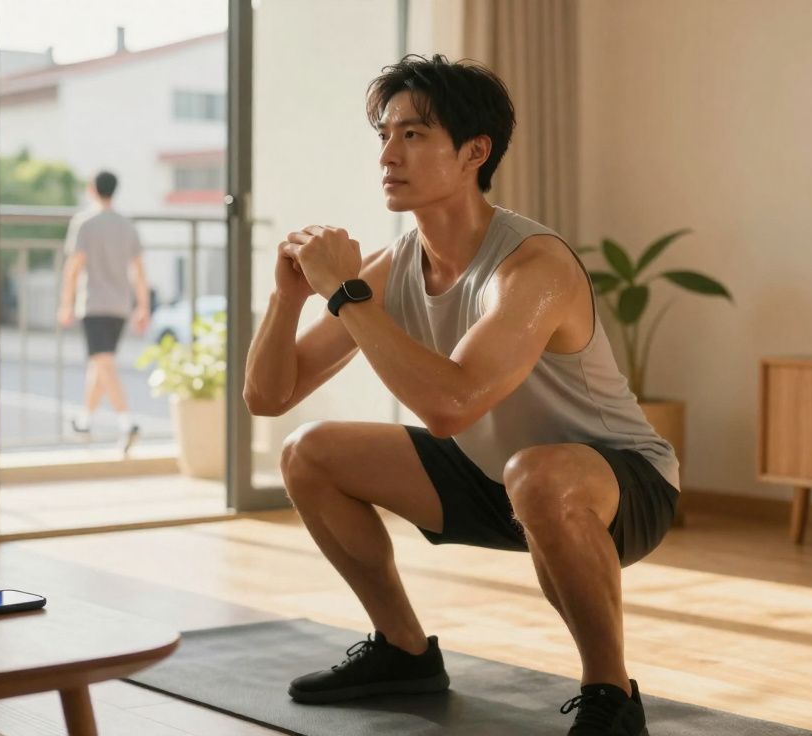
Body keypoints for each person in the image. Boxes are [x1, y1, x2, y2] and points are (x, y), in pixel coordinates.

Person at [242, 54, 678, 736]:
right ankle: (403, 651)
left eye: (413, 135)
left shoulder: (533, 265)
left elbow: (452, 406)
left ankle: (612, 697)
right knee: (309, 452)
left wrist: (345, 291)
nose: (389, 153)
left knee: (537, 473)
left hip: (617, 482)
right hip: (491, 477)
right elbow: (269, 398)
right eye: (385, 135)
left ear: (475, 152)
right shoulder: (395, 266)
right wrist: (287, 296)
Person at [59, 170, 150, 451]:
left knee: (104, 364)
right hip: (120, 306)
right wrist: (143, 305)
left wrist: (65, 303)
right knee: (100, 364)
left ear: (91, 189)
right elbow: (138, 271)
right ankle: (84, 421)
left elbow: (73, 268)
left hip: (94, 305)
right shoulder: (127, 226)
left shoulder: (85, 223)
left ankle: (127, 423)